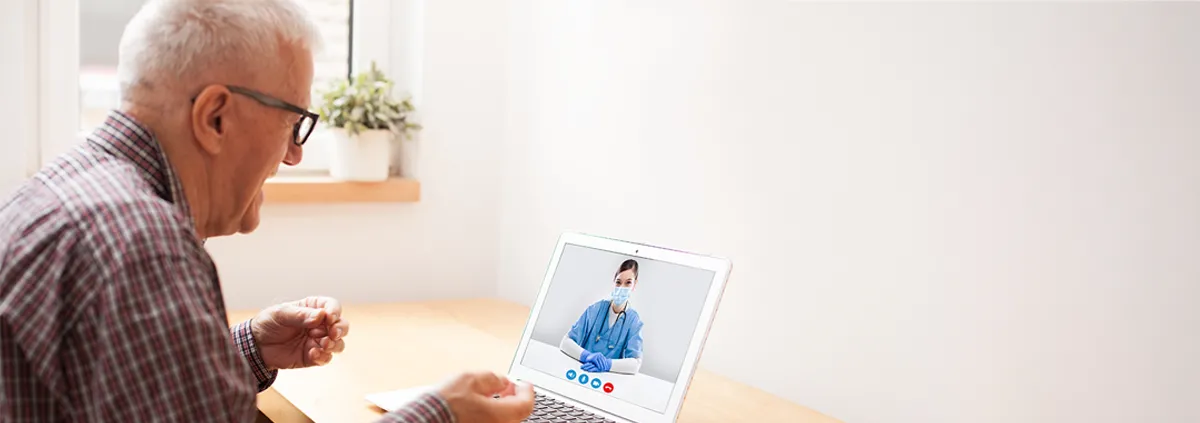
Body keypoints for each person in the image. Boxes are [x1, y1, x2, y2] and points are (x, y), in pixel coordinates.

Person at [0, 1, 534, 422]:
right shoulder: (142, 244)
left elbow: (121, 387)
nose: (295, 154)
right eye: (293, 122)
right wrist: (441, 416)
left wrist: (248, 347)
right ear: (215, 117)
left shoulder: (70, 191)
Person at [559, 259, 646, 375]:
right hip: (580, 370)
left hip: (608, 378)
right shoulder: (595, 309)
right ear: (613, 282)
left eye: (628, 283)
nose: (621, 288)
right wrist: (587, 356)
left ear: (635, 285)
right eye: (618, 282)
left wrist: (608, 364)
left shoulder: (633, 321)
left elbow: (635, 364)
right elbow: (565, 343)